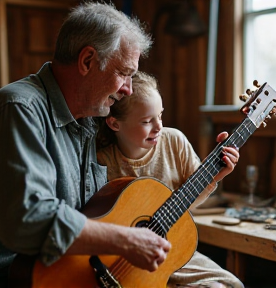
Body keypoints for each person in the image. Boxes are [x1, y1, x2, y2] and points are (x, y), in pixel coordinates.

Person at [0, 2, 173, 287]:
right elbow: (28, 220)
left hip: (72, 273)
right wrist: (126, 240)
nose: (128, 89)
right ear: (87, 61)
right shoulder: (19, 107)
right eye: (124, 73)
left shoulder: (89, 117)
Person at [96, 71, 244, 288]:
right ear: (115, 124)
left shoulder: (174, 141)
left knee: (227, 285)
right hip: (121, 259)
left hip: (171, 251)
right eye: (147, 121)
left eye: (160, 115)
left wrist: (216, 175)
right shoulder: (103, 160)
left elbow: (186, 204)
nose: (158, 127)